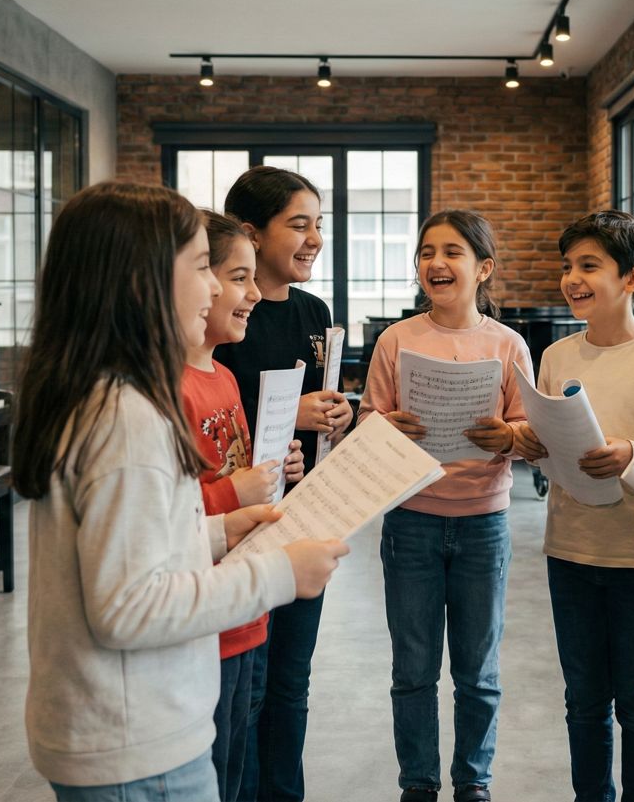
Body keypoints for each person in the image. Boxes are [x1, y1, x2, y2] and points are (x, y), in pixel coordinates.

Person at [12, 181, 347, 801]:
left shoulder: (101, 396)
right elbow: (131, 606)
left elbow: (129, 548)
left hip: (118, 726)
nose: (220, 289)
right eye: (203, 267)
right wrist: (280, 573)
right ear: (141, 282)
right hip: (136, 737)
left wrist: (216, 531)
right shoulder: (127, 417)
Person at [511, 210, 634, 802]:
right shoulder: (557, 356)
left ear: (632, 278)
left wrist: (631, 453)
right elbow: (550, 445)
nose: (573, 279)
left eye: (589, 266)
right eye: (568, 266)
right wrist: (534, 446)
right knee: (583, 700)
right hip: (570, 548)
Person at [361, 210, 532, 802]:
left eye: (453, 252)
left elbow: (528, 431)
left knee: (477, 673)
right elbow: (367, 422)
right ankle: (418, 783)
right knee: (412, 670)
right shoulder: (396, 340)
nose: (437, 262)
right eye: (427, 252)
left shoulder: (508, 344)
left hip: (485, 522)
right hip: (409, 521)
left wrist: (507, 437)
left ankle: (473, 782)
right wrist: (389, 426)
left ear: (482, 269)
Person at [215, 166, 354, 802]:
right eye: (299, 224)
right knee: (248, 685)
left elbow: (323, 409)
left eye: (318, 224)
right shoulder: (219, 318)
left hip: (303, 514)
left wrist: (337, 412)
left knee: (291, 680)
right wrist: (291, 410)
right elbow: (210, 407)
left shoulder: (314, 310)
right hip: (240, 522)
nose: (314, 238)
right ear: (251, 232)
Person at [183, 209, 305, 800]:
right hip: (203, 612)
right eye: (237, 277)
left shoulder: (225, 381)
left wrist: (274, 475)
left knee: (237, 758)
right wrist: (240, 491)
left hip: (246, 608)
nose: (255, 294)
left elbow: (238, 469)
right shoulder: (171, 387)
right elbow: (171, 513)